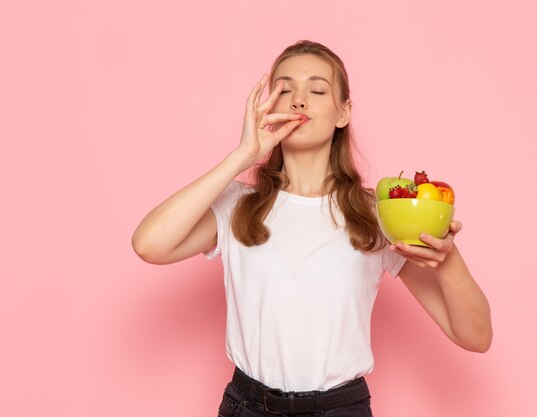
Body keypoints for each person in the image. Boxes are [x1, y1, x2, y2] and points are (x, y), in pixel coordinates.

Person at [132, 40, 492, 417]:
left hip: (340, 409)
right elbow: (148, 244)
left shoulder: (377, 214)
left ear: (343, 112)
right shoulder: (237, 204)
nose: (298, 101)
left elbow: (475, 336)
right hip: (249, 407)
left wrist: (446, 256)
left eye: (317, 90)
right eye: (284, 90)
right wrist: (242, 156)